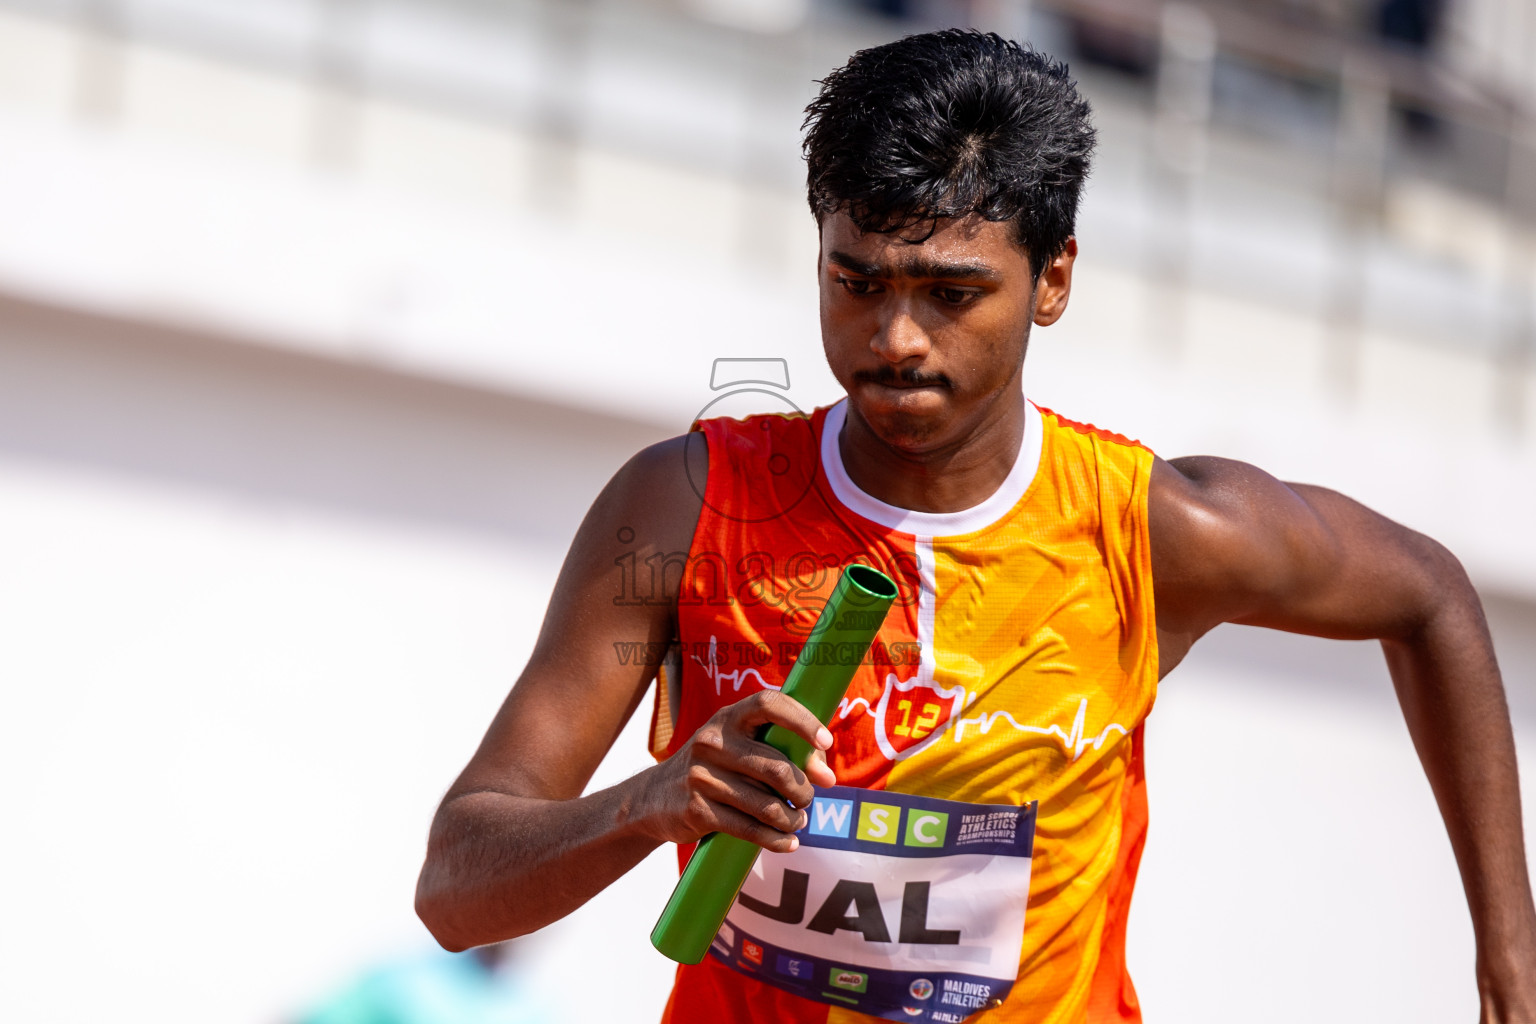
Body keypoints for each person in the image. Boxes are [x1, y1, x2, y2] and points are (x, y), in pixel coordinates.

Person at [414, 29, 1536, 1023]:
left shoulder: (1155, 531)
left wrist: (1510, 966)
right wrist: (648, 805)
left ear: (1053, 280)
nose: (894, 337)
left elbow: (1430, 595)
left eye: (950, 293)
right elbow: (457, 887)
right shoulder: (686, 504)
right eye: (855, 282)